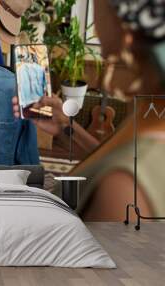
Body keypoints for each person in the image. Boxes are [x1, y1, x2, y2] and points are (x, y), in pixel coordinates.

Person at [13, 0, 165, 221]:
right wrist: (65, 127)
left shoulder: (125, 185)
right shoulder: (150, 116)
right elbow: (114, 156)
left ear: (125, 23)